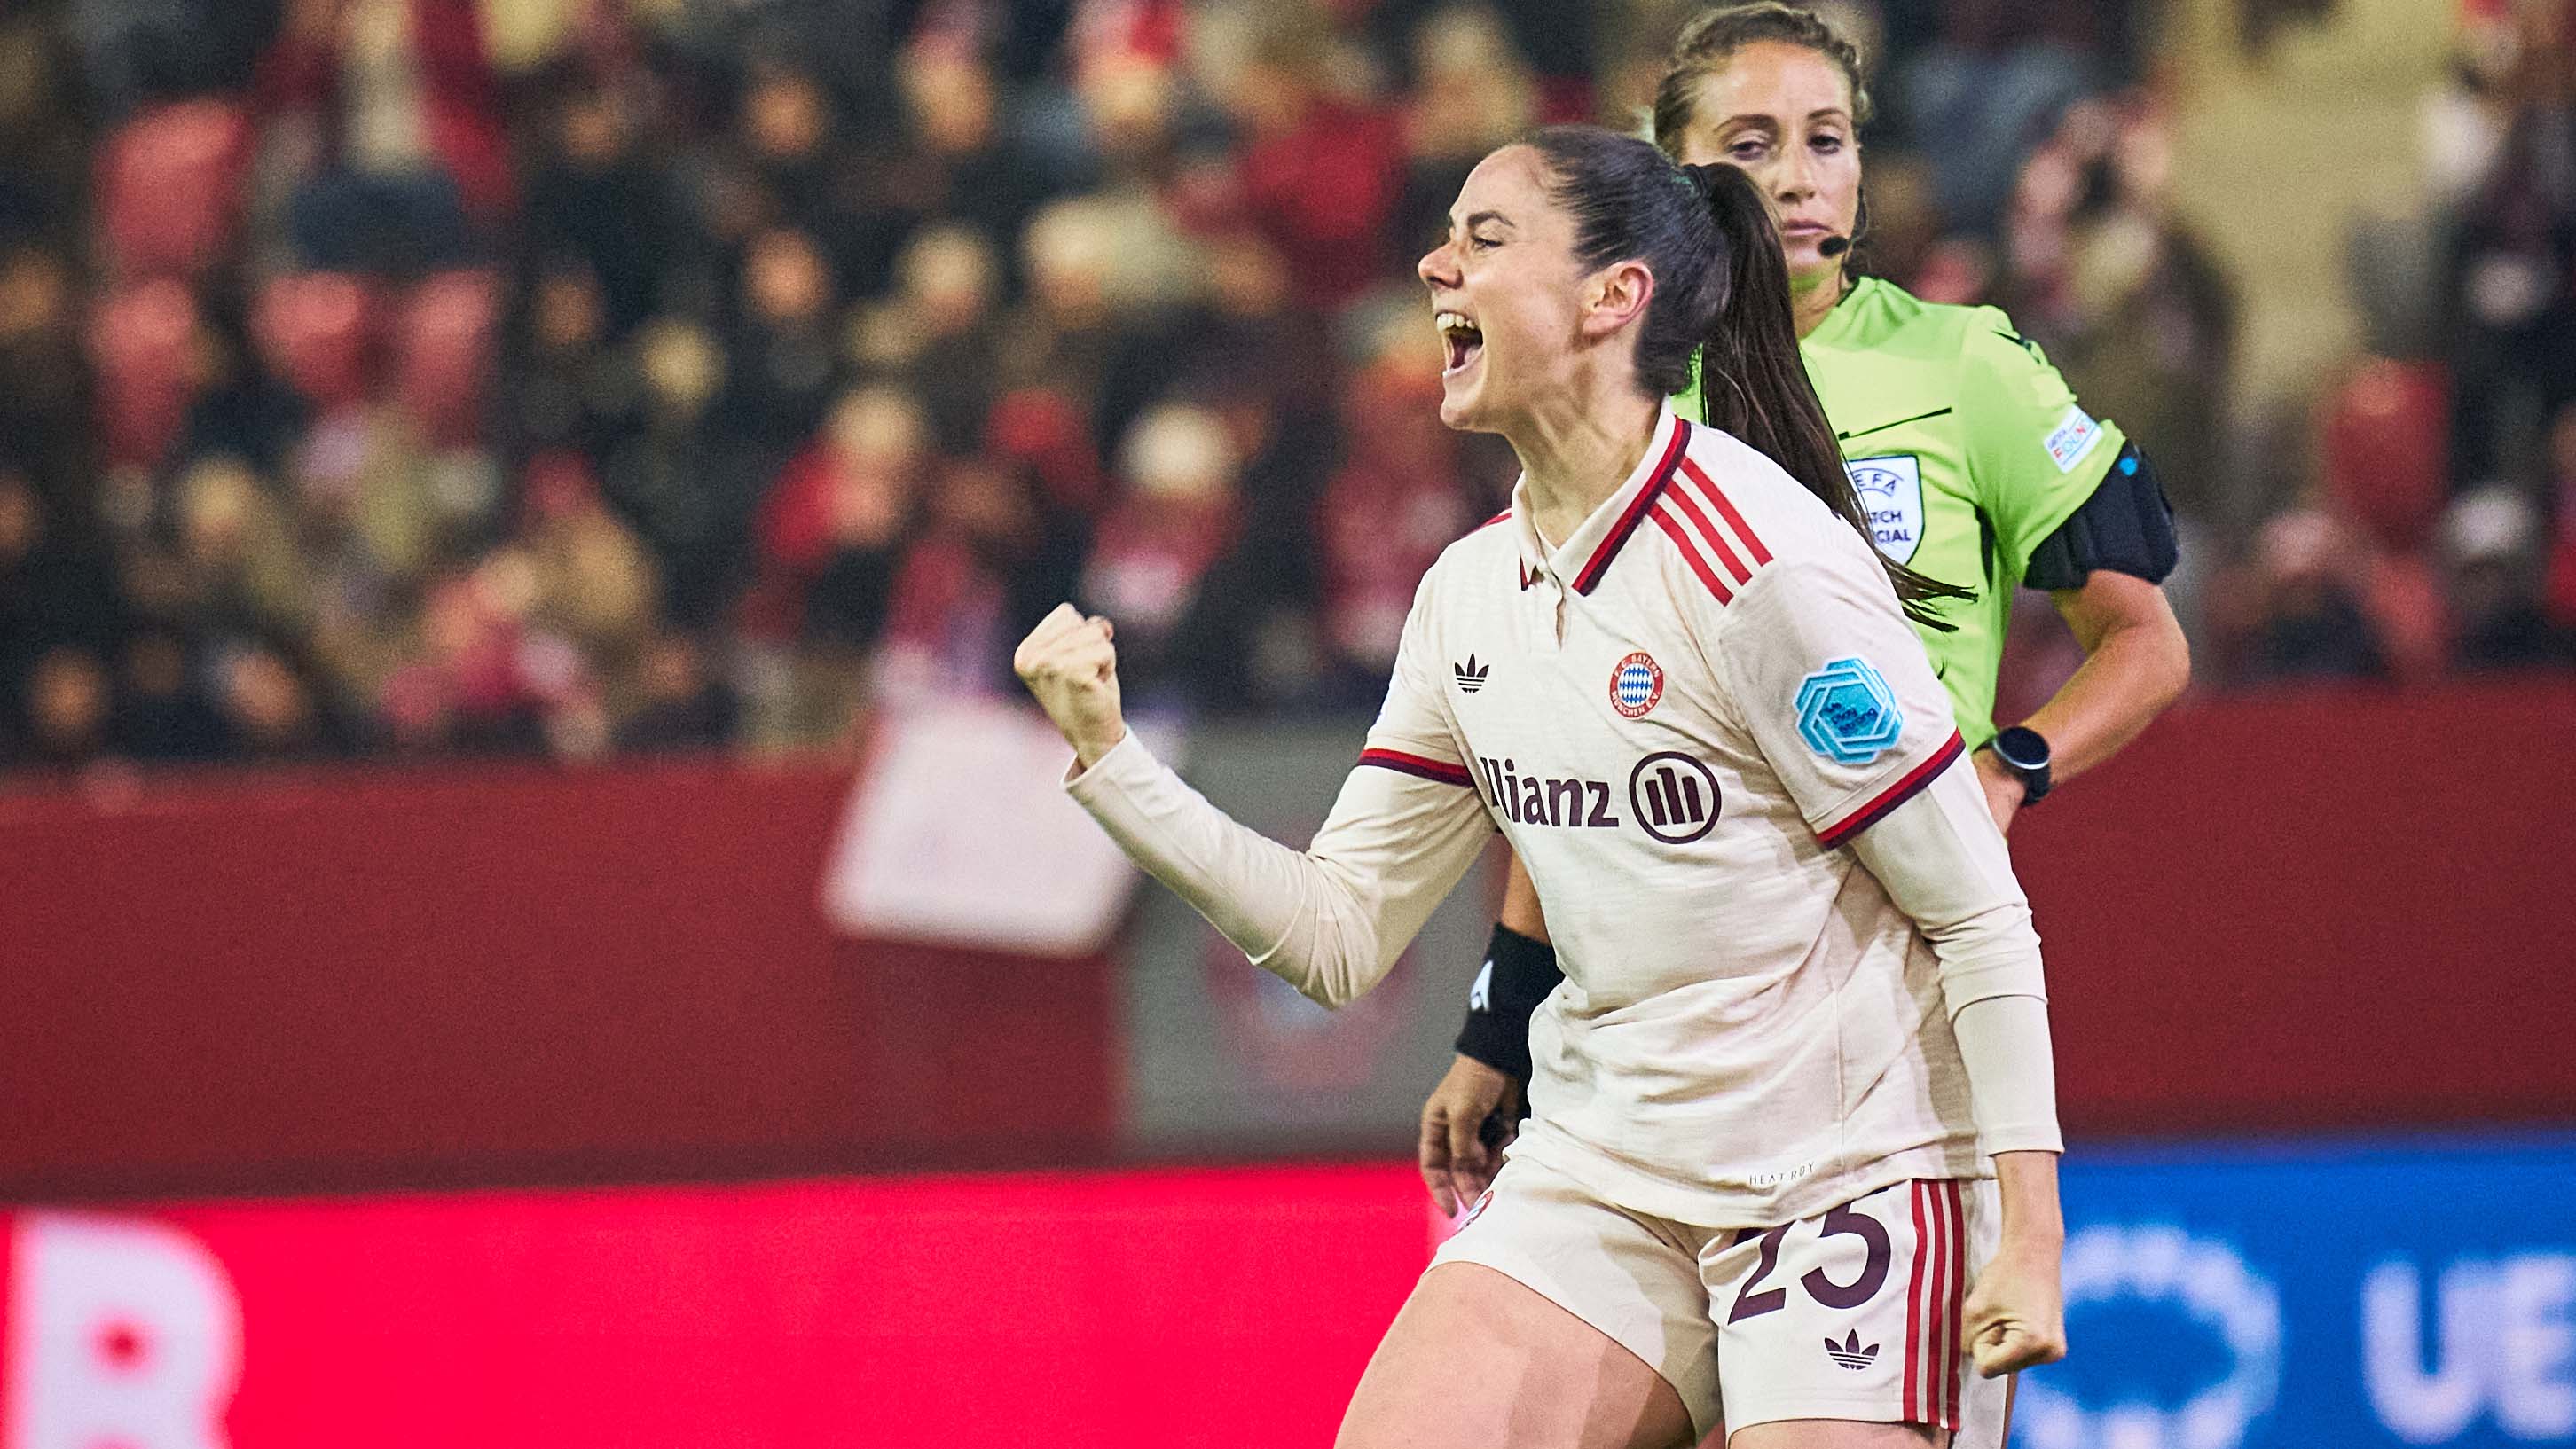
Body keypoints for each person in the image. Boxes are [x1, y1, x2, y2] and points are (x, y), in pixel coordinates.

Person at [1018, 124, 2064, 1448]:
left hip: (1851, 1169)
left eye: (1484, 237)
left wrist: (2030, 1229)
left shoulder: (1762, 568)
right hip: (1606, 1167)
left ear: (1610, 298)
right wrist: (1114, 765)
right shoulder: (1465, 593)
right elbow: (1341, 932)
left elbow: (1977, 911)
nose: (1432, 260)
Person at [1419, 3, 2190, 1239]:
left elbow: (2146, 641)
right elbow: (1568, 747)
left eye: (1827, 141)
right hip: (1644, 1026)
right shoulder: (1614, 386)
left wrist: (2005, 770)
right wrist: (1495, 1023)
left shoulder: (1963, 367)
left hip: (1879, 1000)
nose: (1797, 178)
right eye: (1753, 143)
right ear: (1668, 171)